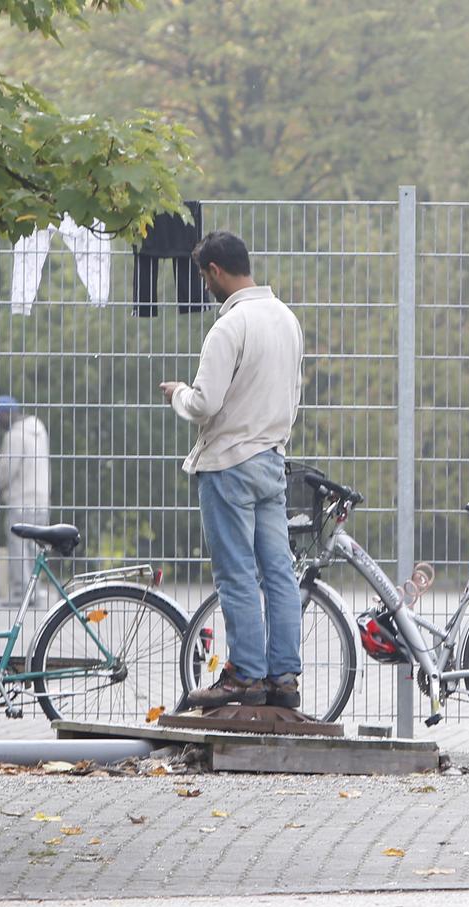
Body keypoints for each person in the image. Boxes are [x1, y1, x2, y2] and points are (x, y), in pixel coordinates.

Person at [160, 231, 304, 709]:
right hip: (271, 459)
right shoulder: (287, 320)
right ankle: (284, 677)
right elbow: (293, 394)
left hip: (228, 464)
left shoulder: (229, 326)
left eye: (205, 278)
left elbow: (205, 404)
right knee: (278, 572)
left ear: (216, 271)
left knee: (237, 574)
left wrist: (178, 392)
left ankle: (245, 675)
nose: (206, 288)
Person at [0, 395, 51, 606]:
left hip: (20, 500)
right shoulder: (38, 428)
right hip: (41, 499)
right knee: (34, 548)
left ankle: (21, 595)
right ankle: (35, 592)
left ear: (6, 414)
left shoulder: (14, 435)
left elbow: (6, 471)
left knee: (18, 549)